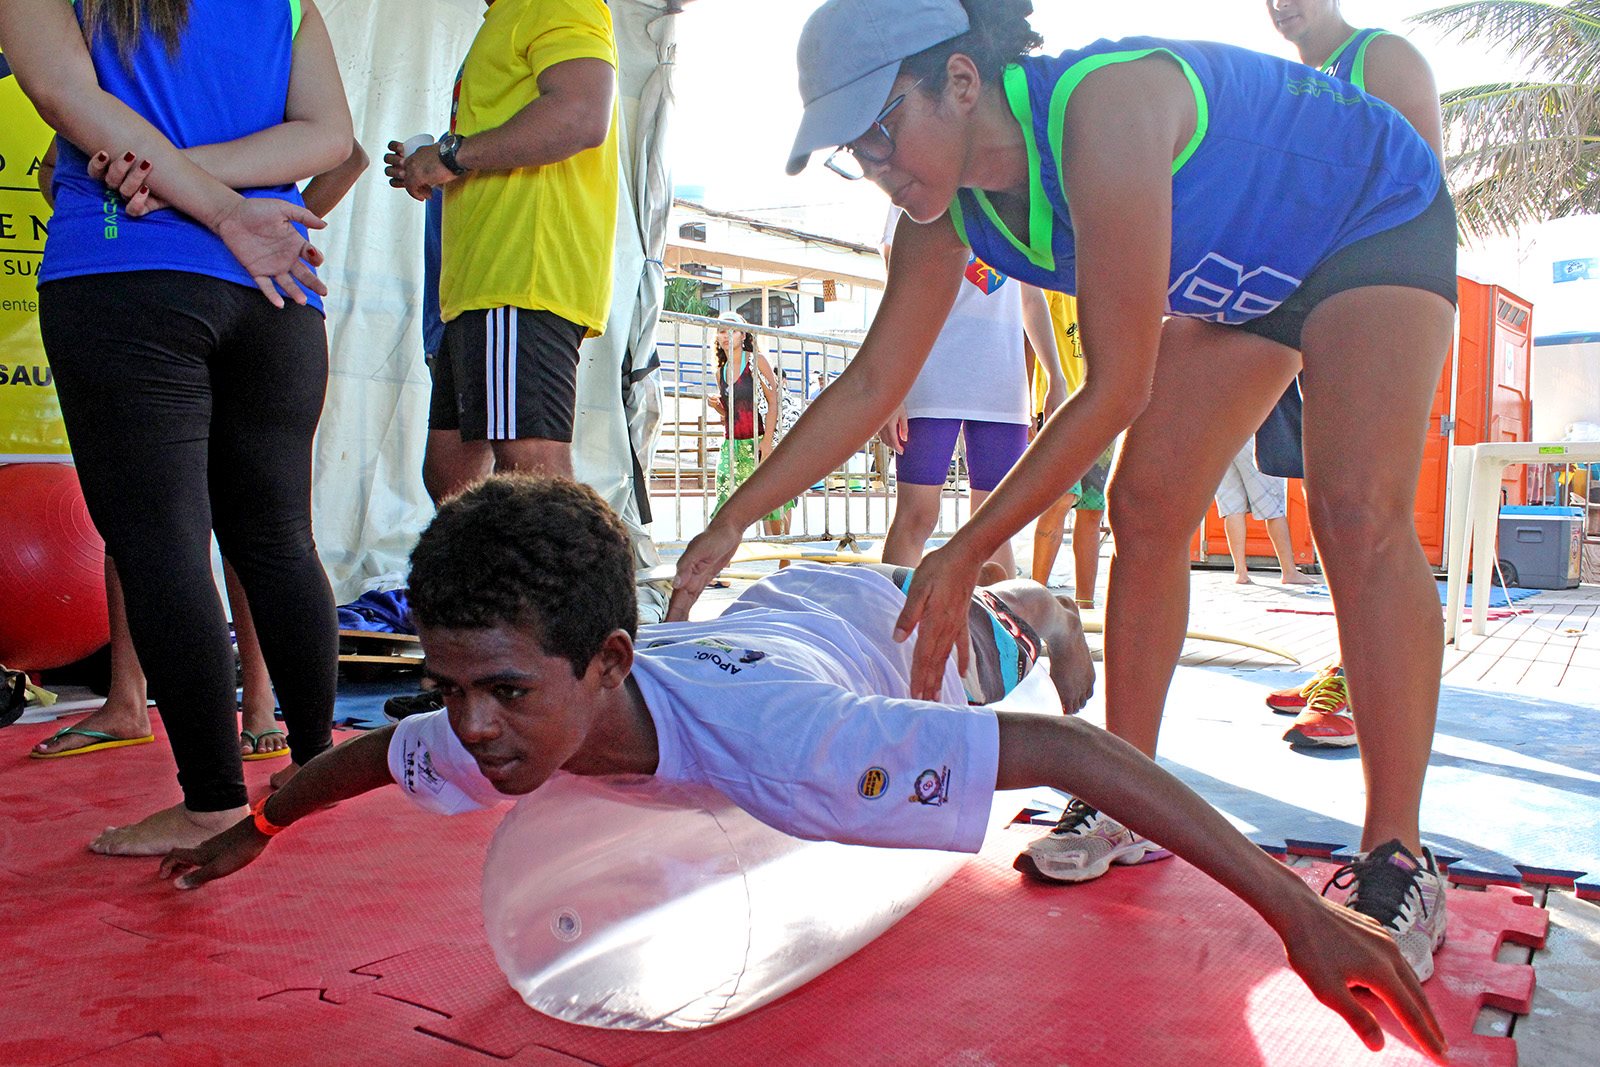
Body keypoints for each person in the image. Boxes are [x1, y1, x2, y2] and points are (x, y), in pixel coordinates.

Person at [668, 0, 1458, 980]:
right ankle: (1131, 794)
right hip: (1249, 282)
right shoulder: (937, 210)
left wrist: (963, 552)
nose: (877, 163)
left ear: (959, 82)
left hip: (1368, 214)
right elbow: (873, 383)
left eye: (882, 128)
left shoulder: (1102, 110)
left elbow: (1117, 385)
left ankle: (1397, 856)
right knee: (1145, 506)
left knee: (1354, 508)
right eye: (853, 149)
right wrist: (730, 517)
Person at [158, 475, 1444, 1061]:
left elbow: (1067, 750)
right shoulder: (489, 720)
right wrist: (257, 822)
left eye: (503, 691)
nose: (473, 726)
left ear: (605, 662)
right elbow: (380, 754)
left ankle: (1033, 598)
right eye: (451, 686)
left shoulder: (800, 759)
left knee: (989, 648)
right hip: (762, 624)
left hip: (867, 645)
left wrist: (1297, 911)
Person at [2, 0, 354, 853]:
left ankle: (213, 802)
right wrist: (223, 196)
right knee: (277, 537)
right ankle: (319, 767)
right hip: (271, 282)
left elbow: (61, 95)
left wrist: (170, 179)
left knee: (161, 544)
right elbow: (329, 136)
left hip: (128, 267)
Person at [28, 135, 367, 762]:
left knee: (188, 532)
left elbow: (344, 151)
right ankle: (161, 706)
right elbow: (340, 145)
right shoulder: (264, 48)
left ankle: (242, 733)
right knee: (219, 529)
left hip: (164, 285)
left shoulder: (115, 74)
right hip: (258, 290)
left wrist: (125, 197)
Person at [1257, 0, 1447, 749]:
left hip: (1374, 303)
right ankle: (1350, 660)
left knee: (1371, 514)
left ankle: (1371, 691)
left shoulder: (1382, 57)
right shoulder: (1283, 86)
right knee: (1329, 510)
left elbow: (1421, 200)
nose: (1282, 2)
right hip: (1304, 306)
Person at [382, 0, 620, 490]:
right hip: (478, 285)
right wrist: (432, 161)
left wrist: (450, 154)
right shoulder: (504, 19)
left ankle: (563, 570)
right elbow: (509, 139)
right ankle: (484, 570)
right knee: (451, 476)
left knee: (531, 477)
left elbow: (579, 114)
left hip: (520, 277)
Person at [876, 206, 1065, 576]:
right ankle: (891, 627)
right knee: (917, 516)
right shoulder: (913, 193)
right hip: (931, 372)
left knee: (994, 529)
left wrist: (1055, 376)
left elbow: (1030, 298)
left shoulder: (1015, 197)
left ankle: (997, 632)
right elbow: (896, 294)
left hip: (1002, 379)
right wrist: (892, 390)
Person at [1028, 292, 1111, 607]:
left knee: (1093, 506)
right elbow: (1028, 334)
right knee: (1060, 499)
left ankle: (1085, 602)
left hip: (1103, 407)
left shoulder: (1110, 281)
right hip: (1059, 406)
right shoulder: (1054, 278)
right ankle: (1034, 596)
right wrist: (1027, 405)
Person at [707, 312, 793, 536]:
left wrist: (767, 442)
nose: (726, 335)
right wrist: (719, 408)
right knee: (725, 500)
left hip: (760, 439)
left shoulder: (756, 360)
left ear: (743, 335)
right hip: (732, 445)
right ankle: (721, 562)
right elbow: (732, 414)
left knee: (772, 502)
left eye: (732, 330)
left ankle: (783, 557)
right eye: (722, 331)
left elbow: (773, 402)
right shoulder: (721, 372)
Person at [1215, 438, 1318, 587]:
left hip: (1223, 439)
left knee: (1233, 508)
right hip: (1253, 437)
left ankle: (1240, 572)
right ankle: (1289, 572)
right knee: (1273, 508)